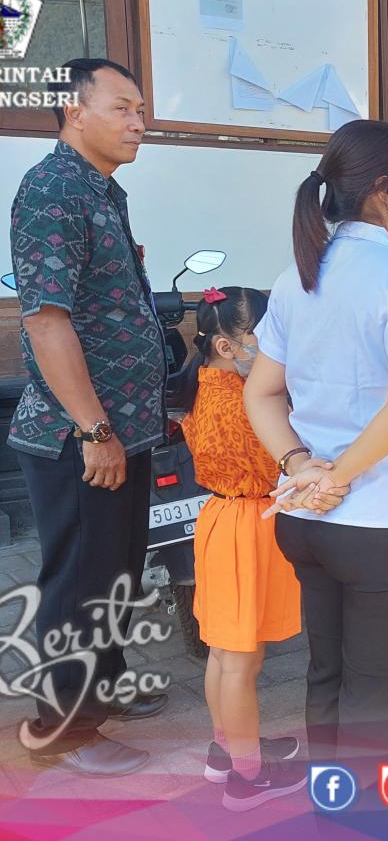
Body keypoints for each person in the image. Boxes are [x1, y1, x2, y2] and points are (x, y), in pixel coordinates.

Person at [243, 120, 388, 779]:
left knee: (327, 676)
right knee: (376, 694)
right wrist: (339, 476)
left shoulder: (294, 277)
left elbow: (261, 395)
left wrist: (302, 468)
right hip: (383, 524)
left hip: (308, 521)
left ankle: (328, 807)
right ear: (385, 191)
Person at [8, 58, 168, 775]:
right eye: (124, 107)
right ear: (75, 110)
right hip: (79, 438)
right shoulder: (51, 190)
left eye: (141, 109)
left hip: (123, 431)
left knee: (116, 573)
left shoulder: (102, 190)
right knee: (79, 580)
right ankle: (62, 728)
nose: (140, 121)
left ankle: (100, 692)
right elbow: (47, 322)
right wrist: (94, 431)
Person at [180, 287, 328, 811]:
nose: (273, 352)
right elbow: (277, 466)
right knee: (241, 660)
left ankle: (226, 750)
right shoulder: (242, 401)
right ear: (226, 345)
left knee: (226, 654)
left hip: (222, 518)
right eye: (263, 340)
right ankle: (249, 776)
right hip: (247, 522)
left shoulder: (205, 384)